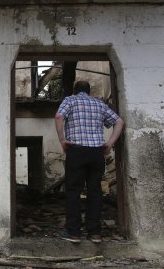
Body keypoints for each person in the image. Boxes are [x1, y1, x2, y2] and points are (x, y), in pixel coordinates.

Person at [55, 81, 125, 243]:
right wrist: (110, 143)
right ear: (89, 91)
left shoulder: (70, 100)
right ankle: (95, 233)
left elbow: (59, 116)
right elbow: (119, 122)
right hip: (96, 153)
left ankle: (74, 233)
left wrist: (62, 140)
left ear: (75, 90)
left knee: (74, 191)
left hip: (77, 150)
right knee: (95, 191)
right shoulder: (99, 103)